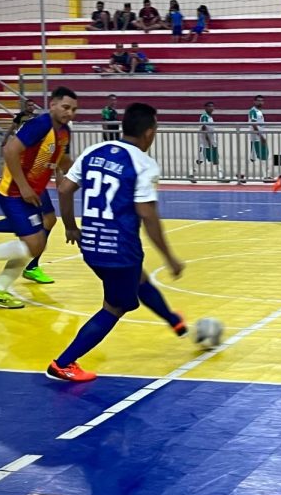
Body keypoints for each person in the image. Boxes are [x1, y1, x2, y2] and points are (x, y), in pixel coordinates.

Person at [47, 102, 187, 382]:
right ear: (149, 133)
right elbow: (147, 214)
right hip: (120, 249)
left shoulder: (93, 151)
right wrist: (170, 257)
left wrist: (72, 227)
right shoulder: (143, 163)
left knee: (139, 280)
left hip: (92, 244)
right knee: (115, 306)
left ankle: (175, 322)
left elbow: (63, 188)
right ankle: (63, 363)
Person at [0, 87, 79, 307]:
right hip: (13, 192)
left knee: (35, 243)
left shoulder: (65, 132)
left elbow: (63, 160)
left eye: (74, 109)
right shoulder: (40, 125)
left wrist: (82, 172)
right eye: (65, 107)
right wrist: (24, 186)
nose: (69, 113)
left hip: (31, 194)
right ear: (52, 105)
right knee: (35, 243)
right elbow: (9, 150)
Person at [191, 101, 225, 182]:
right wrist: (208, 140)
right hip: (205, 143)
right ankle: (191, 173)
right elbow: (204, 128)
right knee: (200, 160)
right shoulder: (204, 117)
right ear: (205, 108)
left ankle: (220, 176)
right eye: (209, 106)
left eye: (212, 106)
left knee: (215, 159)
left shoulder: (210, 117)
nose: (211, 108)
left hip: (212, 142)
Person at [248, 95, 272, 181]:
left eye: (262, 100)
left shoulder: (259, 112)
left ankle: (241, 174)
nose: (260, 102)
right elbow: (254, 125)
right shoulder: (253, 111)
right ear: (254, 101)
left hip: (258, 137)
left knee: (253, 157)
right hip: (257, 137)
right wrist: (261, 136)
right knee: (263, 155)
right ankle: (266, 176)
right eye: (258, 100)